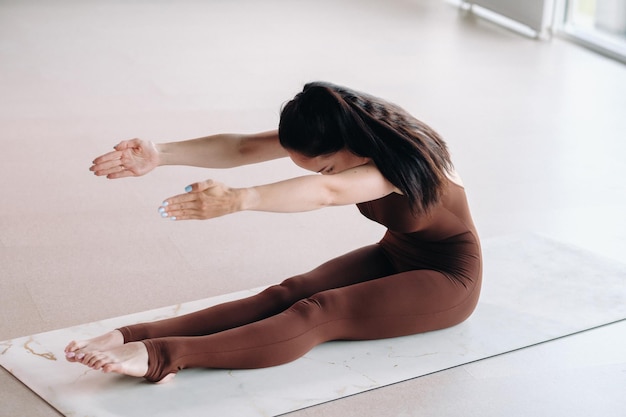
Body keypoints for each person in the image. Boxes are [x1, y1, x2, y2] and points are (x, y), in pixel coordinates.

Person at [65, 81, 482, 384]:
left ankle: (160, 356)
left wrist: (238, 199)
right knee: (284, 293)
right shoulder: (347, 128)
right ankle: (134, 335)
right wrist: (162, 154)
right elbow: (244, 147)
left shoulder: (400, 161)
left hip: (449, 279)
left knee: (318, 311)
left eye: (325, 164)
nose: (323, 171)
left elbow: (326, 191)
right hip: (395, 254)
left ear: (348, 148)